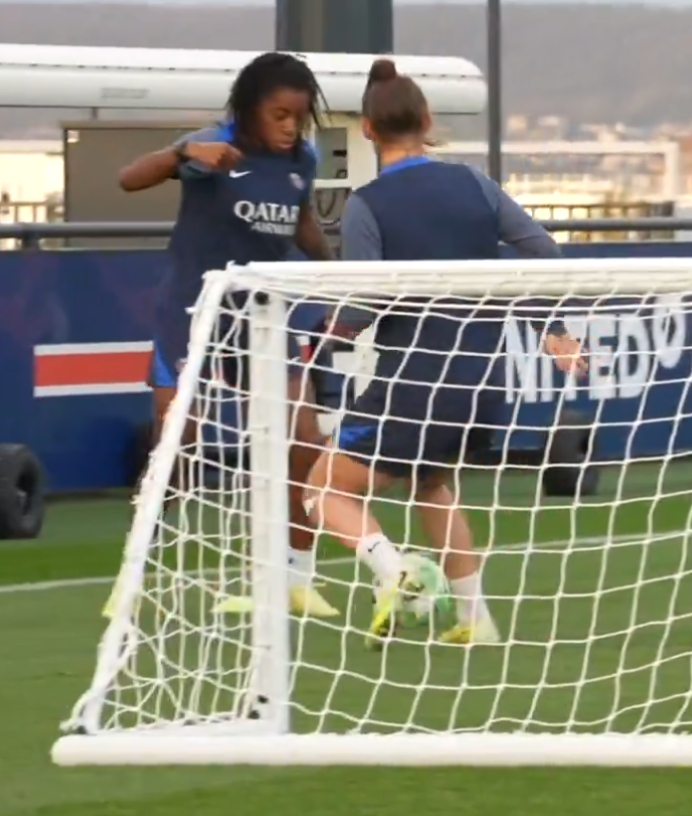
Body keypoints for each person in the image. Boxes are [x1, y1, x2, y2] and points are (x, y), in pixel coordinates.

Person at [304, 59, 583, 648]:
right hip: (481, 381)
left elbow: (363, 304)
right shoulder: (475, 185)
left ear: (367, 131)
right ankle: (474, 621)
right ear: (428, 121)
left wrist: (331, 330)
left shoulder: (367, 204)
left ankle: (394, 569)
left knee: (324, 488)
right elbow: (543, 252)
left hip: (414, 382)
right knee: (432, 487)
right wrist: (550, 324)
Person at [113, 52, 341, 619]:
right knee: (176, 446)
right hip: (192, 312)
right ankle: (134, 573)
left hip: (263, 318)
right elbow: (127, 179)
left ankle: (294, 575)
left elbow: (301, 218)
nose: (291, 126)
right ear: (250, 109)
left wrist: (334, 271)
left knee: (304, 439)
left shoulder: (302, 159)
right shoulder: (212, 146)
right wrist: (181, 153)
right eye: (280, 114)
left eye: (299, 116)